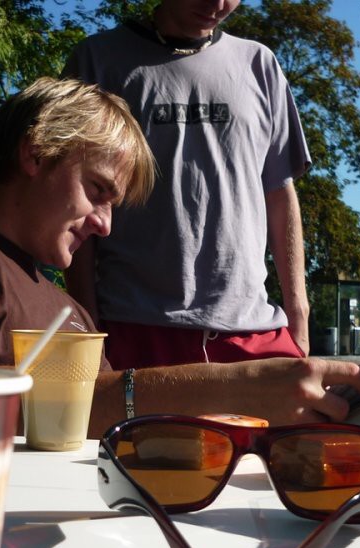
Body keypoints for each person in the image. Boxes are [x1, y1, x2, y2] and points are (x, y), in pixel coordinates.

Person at [0, 76, 360, 439]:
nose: (105, 225)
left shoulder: (68, 308)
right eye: (97, 190)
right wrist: (240, 386)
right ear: (35, 152)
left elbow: (116, 426)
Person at [62, 0, 311, 369]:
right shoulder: (96, 61)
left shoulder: (259, 64)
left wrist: (299, 315)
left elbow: (279, 193)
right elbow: (75, 200)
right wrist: (87, 322)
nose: (218, 4)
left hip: (253, 332)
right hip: (134, 330)